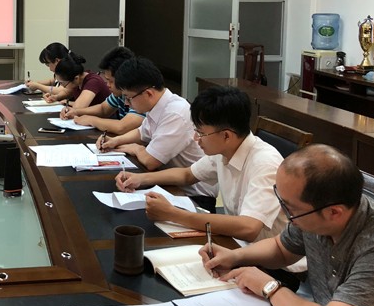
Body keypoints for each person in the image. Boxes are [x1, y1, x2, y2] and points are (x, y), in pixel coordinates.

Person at [201, 144, 374, 306]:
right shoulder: (316, 212)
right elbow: (281, 248)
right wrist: (235, 256)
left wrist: (269, 287)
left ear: (334, 213)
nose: (285, 213)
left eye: (289, 208)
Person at [115, 85, 286, 243]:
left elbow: (249, 227)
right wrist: (140, 179)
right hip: (237, 243)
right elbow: (188, 175)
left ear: (226, 135)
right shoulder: (225, 149)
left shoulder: (265, 163)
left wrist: (173, 214)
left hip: (268, 259)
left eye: (201, 133)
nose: (196, 138)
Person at [100, 57, 216, 209]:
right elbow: (142, 132)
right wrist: (116, 141)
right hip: (167, 183)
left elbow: (150, 161)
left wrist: (136, 148)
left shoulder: (175, 113)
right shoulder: (158, 105)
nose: (127, 104)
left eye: (129, 98)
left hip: (193, 196)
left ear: (148, 93)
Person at [60, 46, 144, 135]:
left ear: (123, 77)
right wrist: (76, 112)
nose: (108, 85)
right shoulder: (120, 93)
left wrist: (91, 120)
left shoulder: (139, 94)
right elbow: (103, 109)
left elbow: (122, 127)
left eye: (111, 81)